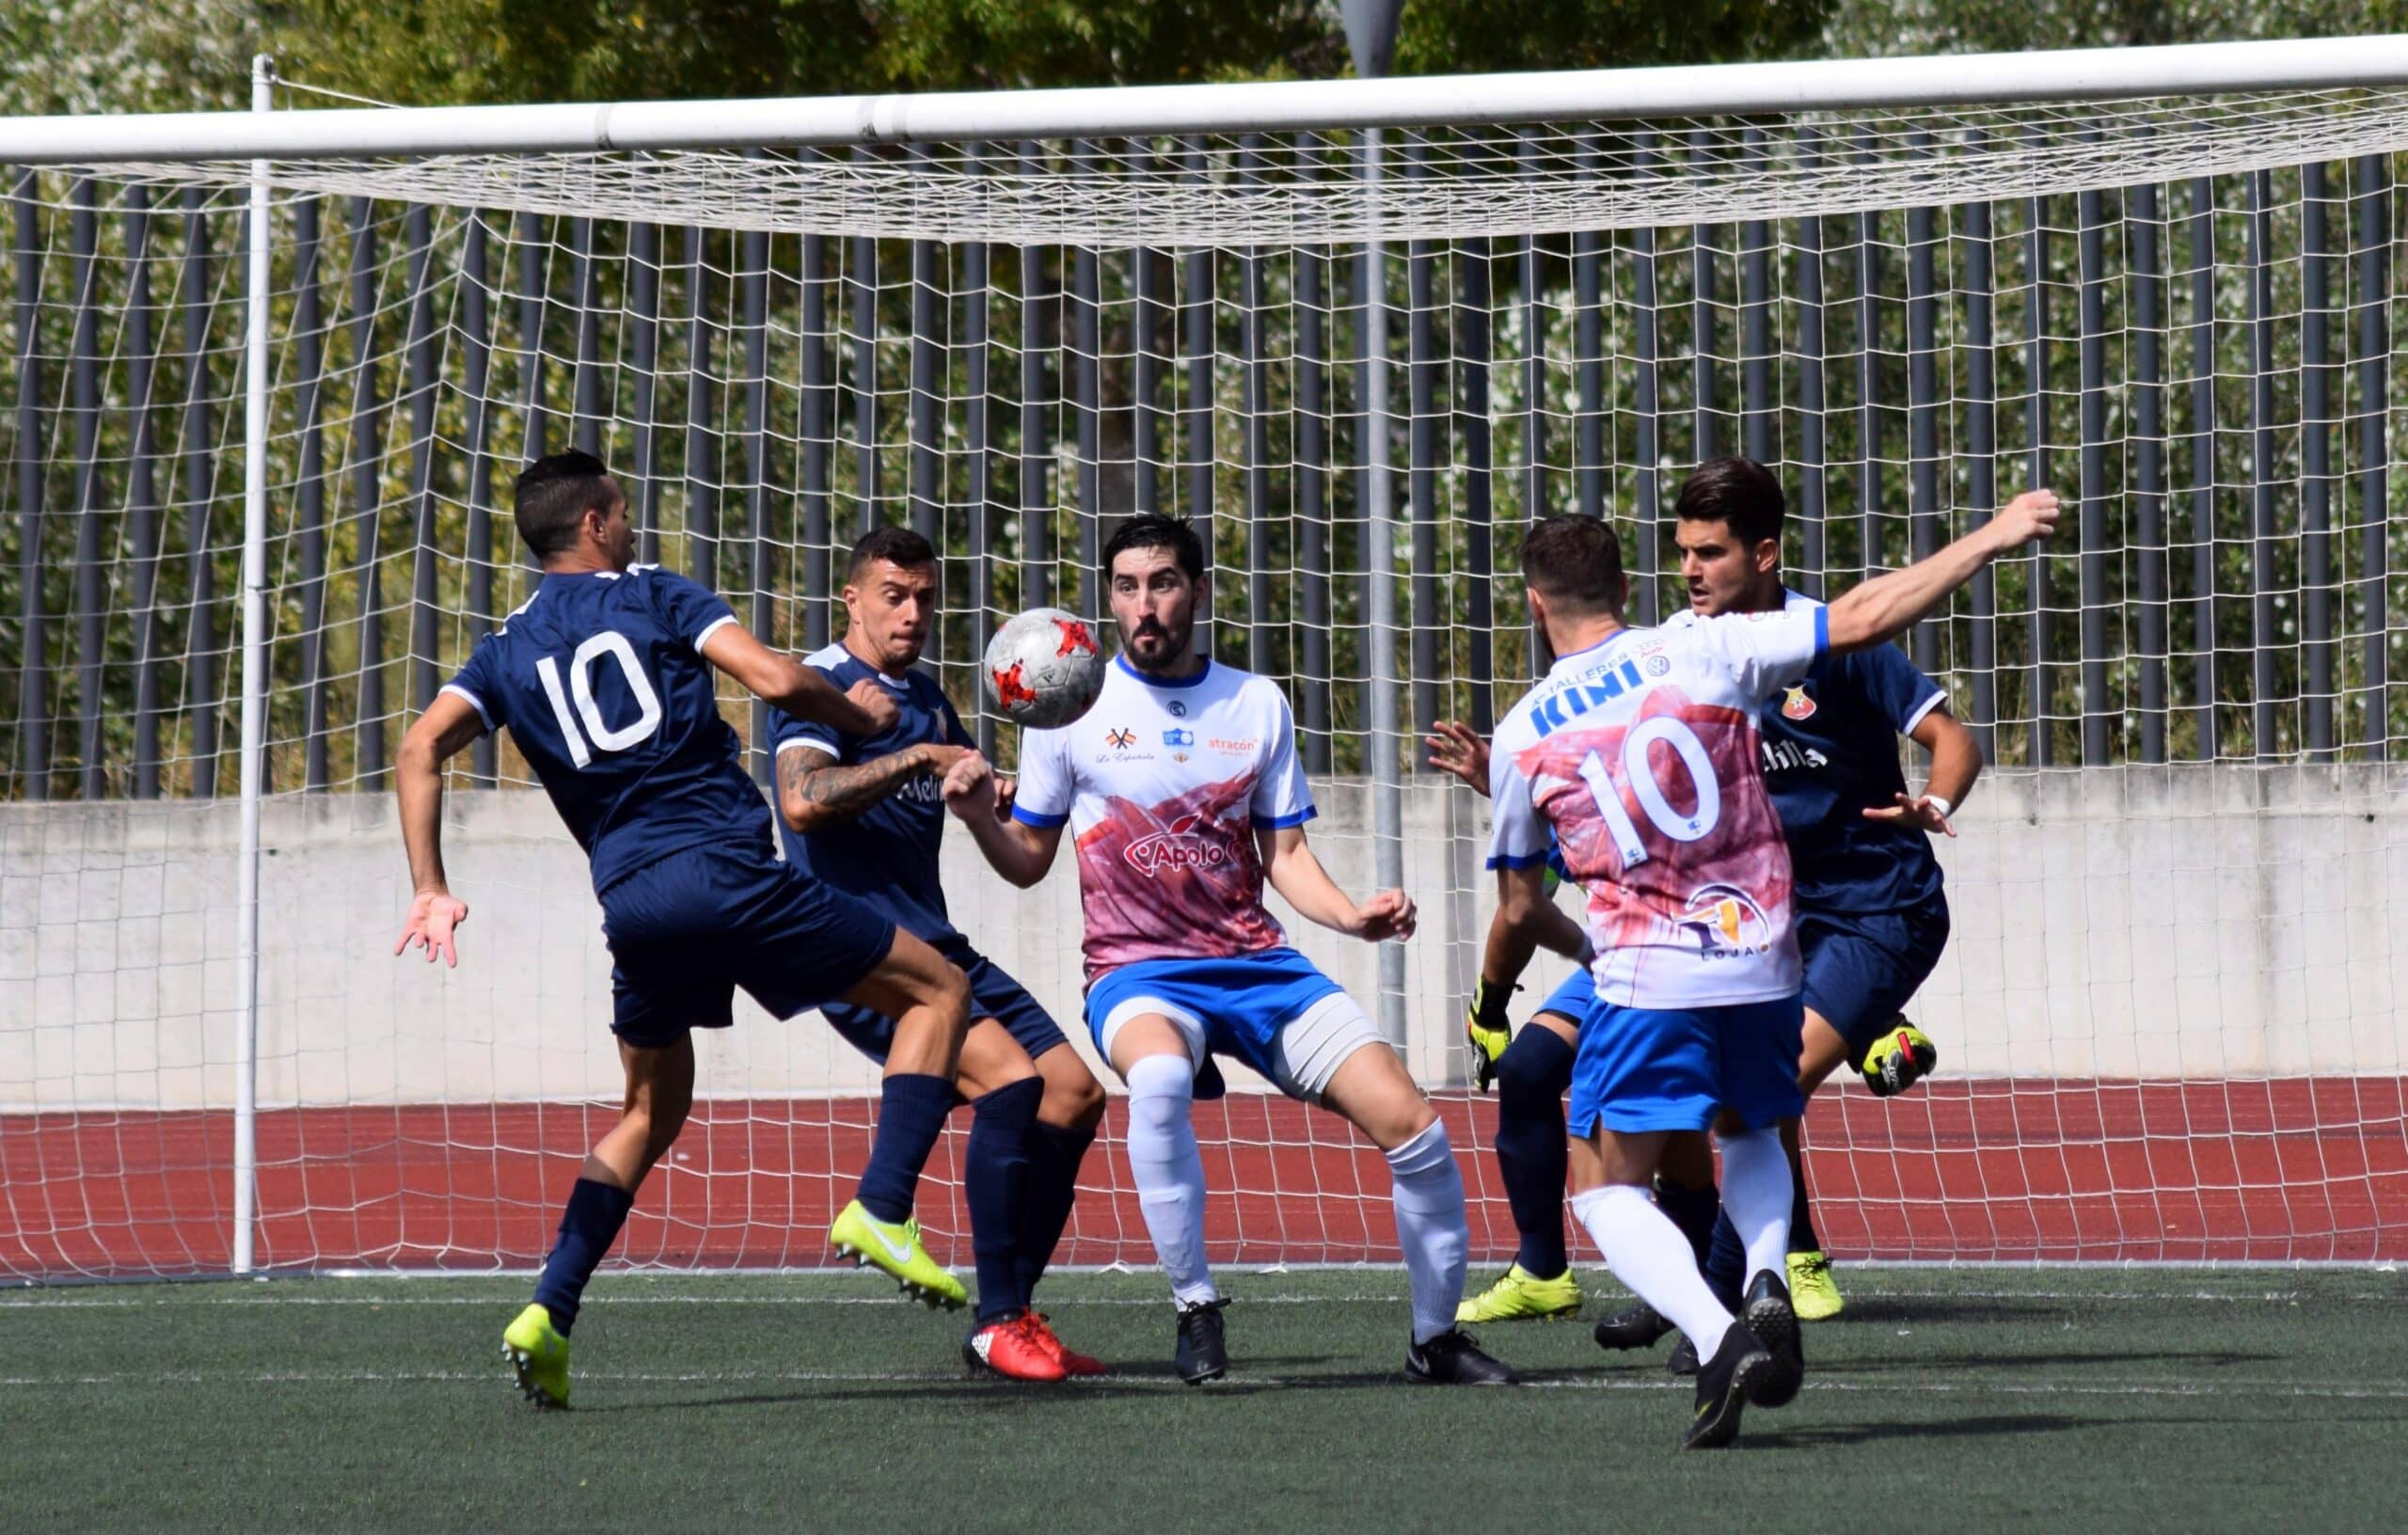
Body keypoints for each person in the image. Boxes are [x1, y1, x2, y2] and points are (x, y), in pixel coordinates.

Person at [393, 451, 972, 1410]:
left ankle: (548, 1311)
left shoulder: (500, 652)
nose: (629, 525)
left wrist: (429, 886)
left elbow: (418, 749)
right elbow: (779, 680)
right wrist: (860, 716)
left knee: (649, 1113)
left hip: (632, 903)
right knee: (939, 989)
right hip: (724, 871)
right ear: (593, 525)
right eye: (620, 511)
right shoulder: (653, 592)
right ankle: (883, 1206)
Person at [1485, 486, 2056, 1447]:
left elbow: (1516, 903)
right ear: (1628, 583)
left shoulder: (1521, 733)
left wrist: (1578, 939)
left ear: (1535, 606)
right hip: (1762, 956)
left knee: (1603, 1185)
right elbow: (1872, 607)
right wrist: (1994, 535)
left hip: (1658, 968)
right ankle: (1761, 1276)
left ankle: (1716, 1333)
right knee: (1751, 1122)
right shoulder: (1702, 649)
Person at [940, 513, 1516, 1387]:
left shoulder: (1256, 702)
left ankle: (1435, 1340)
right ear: (1109, 599)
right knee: (1161, 1081)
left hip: (1260, 968)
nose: (1146, 605)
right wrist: (981, 815)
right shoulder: (1066, 711)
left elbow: (1284, 857)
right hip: (1137, 974)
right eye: (1127, 587)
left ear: (1198, 591)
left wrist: (1354, 918)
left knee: (1418, 1131)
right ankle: (1196, 1306)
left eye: (1163, 583)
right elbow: (1026, 863)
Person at [768, 525, 1108, 1383]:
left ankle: (1012, 1313)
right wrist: (915, 757)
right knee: (1011, 1082)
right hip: (856, 947)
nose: (912, 612)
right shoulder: (816, 688)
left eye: (925, 597)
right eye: (894, 595)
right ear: (852, 598)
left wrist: (980, 798)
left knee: (1073, 1095)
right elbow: (803, 803)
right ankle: (991, 1315)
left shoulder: (926, 699)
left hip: (940, 944)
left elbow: (979, 819)